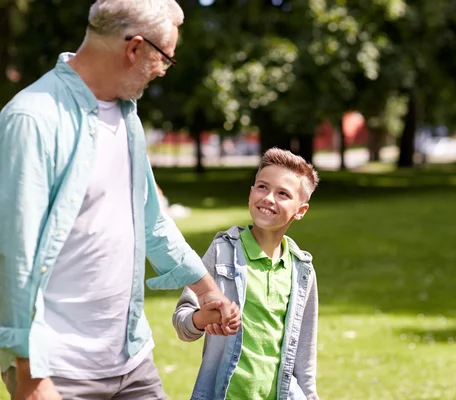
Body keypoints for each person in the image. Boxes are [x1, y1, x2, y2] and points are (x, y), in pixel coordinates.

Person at [0, 1, 241, 399]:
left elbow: (151, 219)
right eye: (165, 57)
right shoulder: (32, 119)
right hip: (59, 373)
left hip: (131, 362)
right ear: (134, 48)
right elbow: (14, 257)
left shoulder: (126, 115)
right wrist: (31, 374)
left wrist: (206, 290)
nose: (164, 69)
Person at [173, 148, 320, 400]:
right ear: (251, 192)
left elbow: (304, 355)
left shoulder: (301, 269)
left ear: (300, 210)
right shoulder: (221, 252)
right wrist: (202, 319)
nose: (269, 198)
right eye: (262, 187)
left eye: (283, 193)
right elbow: (182, 322)